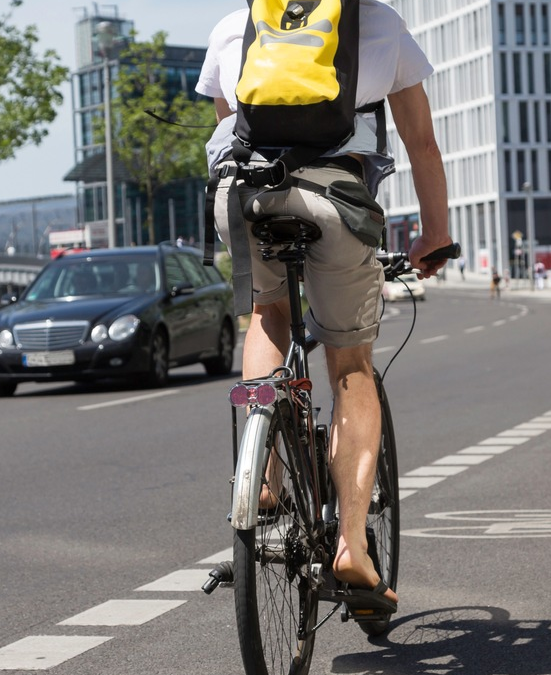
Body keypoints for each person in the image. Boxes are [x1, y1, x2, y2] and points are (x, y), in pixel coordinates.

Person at [198, 1, 452, 611]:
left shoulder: (235, 26)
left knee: (269, 312)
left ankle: (262, 474)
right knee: (350, 366)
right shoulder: (380, 23)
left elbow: (231, 130)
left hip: (242, 194)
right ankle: (350, 548)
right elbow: (422, 143)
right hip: (333, 198)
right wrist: (434, 234)